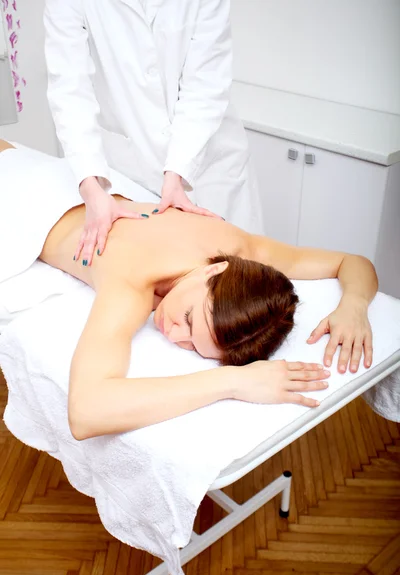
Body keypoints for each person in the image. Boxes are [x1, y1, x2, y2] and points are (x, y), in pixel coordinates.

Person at [0, 141, 377, 441]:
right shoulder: (133, 281)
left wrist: (354, 305)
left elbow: (352, 262)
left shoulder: (241, 249)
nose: (172, 331)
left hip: (63, 183)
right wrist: (232, 382)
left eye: (193, 344)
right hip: (21, 200)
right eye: (189, 317)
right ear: (215, 269)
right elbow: (85, 413)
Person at [43, 0, 263, 265]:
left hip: (211, 166)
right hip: (134, 170)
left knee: (247, 279)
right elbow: (70, 92)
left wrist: (177, 172)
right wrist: (91, 189)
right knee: (177, 275)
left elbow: (205, 87)